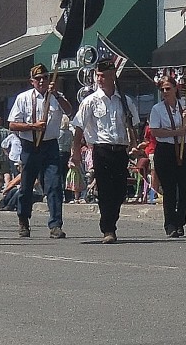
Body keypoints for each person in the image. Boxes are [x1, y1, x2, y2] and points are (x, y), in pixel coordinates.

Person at [71, 57, 141, 244]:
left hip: (120, 150)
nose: (100, 79)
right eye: (98, 75)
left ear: (113, 76)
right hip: (101, 150)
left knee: (119, 191)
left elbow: (132, 125)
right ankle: (108, 228)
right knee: (105, 189)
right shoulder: (90, 101)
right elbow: (78, 127)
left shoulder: (125, 101)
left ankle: (112, 220)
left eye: (104, 75)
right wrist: (76, 152)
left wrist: (135, 145)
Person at [9, 63, 72, 239]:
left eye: (45, 77)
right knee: (26, 186)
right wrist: (32, 126)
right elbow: (12, 124)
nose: (42, 81)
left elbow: (69, 111)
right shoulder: (23, 98)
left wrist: (57, 95)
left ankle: (55, 225)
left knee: (53, 185)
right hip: (30, 145)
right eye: (38, 79)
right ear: (32, 81)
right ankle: (23, 221)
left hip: (50, 145)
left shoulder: (55, 97)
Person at [147, 75, 186, 237]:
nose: (165, 92)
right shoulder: (157, 109)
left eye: (168, 88)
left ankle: (180, 220)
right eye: (162, 89)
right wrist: (176, 132)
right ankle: (170, 224)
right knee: (169, 189)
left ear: (176, 88)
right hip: (165, 150)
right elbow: (155, 131)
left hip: (183, 148)